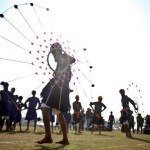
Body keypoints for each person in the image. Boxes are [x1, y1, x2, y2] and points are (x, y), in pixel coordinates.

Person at [37, 42, 75, 144]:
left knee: (45, 108)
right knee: (58, 112)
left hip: (58, 87)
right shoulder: (60, 61)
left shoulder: (63, 57)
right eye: (52, 52)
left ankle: (48, 137)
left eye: (53, 52)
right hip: (59, 87)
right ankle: (65, 139)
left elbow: (72, 59)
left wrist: (63, 55)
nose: (53, 54)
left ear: (57, 51)